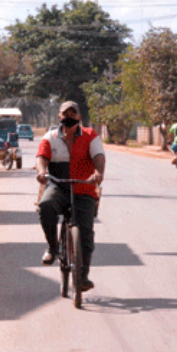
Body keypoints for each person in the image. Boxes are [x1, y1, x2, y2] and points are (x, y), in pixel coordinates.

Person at [36, 100, 106, 292]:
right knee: (46, 206)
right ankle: (52, 247)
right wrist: (42, 171)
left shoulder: (91, 136)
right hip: (58, 186)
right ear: (60, 117)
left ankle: (82, 277)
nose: (69, 117)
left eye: (73, 114)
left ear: (79, 117)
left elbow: (99, 157)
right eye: (65, 114)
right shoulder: (50, 137)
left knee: (86, 236)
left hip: (84, 189)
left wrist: (98, 174)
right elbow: (41, 157)